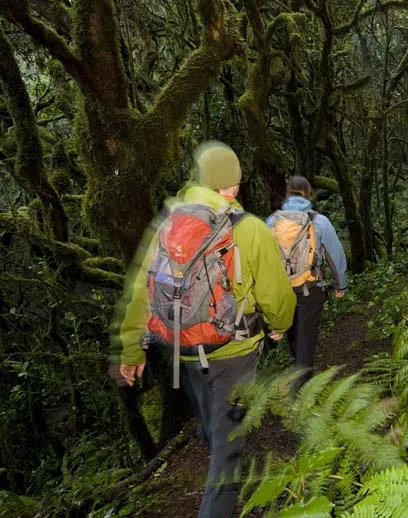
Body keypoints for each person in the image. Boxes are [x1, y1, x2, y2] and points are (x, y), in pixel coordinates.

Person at [109, 141, 296, 518]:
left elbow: (139, 290)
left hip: (182, 349)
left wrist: (131, 350)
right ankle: (222, 491)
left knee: (213, 425)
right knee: (228, 451)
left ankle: (219, 450)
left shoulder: (168, 222)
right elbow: (277, 296)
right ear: (235, 184)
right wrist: (279, 327)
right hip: (234, 351)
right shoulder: (250, 229)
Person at [267, 176, 347, 392]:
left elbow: (264, 261)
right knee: (307, 336)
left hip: (282, 290)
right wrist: (341, 286)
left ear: (287, 194)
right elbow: (335, 255)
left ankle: (300, 373)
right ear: (309, 194)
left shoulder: (272, 222)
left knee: (294, 334)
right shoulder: (319, 221)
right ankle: (302, 387)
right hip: (311, 288)